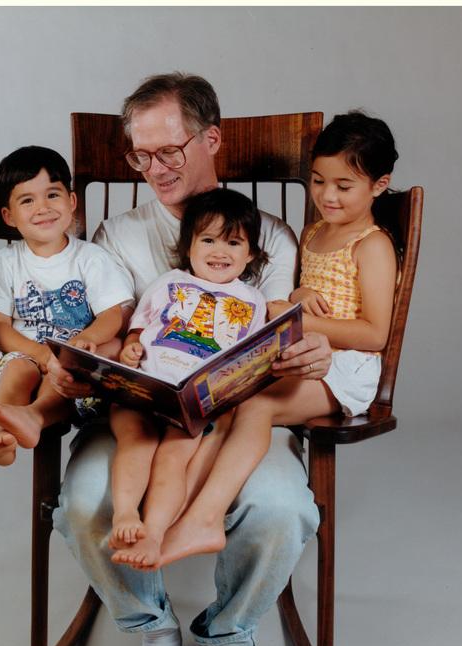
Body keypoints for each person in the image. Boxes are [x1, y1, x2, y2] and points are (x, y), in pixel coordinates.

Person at [47, 73, 333, 646]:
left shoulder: (272, 242)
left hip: (234, 421)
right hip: (139, 420)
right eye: (139, 155)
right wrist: (97, 361)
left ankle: (225, 640)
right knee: (89, 505)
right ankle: (150, 627)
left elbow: (281, 342)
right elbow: (116, 331)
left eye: (169, 150)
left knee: (282, 509)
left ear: (211, 139)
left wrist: (306, 354)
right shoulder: (120, 236)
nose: (154, 168)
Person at [161, 111, 399, 565]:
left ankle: (206, 518)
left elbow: (374, 333)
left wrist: (292, 317)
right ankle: (178, 511)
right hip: (304, 355)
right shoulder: (315, 232)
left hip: (346, 368)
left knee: (255, 403)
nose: (327, 195)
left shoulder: (372, 245)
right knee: (229, 397)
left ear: (379, 185)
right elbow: (313, 294)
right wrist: (302, 294)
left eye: (343, 186)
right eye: (317, 181)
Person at [110, 187, 276, 569]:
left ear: (250, 254)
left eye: (233, 242)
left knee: (171, 458)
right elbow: (139, 325)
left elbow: (247, 356)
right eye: (208, 240)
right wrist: (131, 346)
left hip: (193, 403)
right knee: (135, 442)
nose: (220, 251)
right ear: (188, 247)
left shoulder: (252, 301)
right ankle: (125, 516)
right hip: (146, 387)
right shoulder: (170, 282)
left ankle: (152, 534)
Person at [0, 145, 133, 466]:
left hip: (75, 367)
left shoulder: (90, 257)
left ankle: (34, 416)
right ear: (9, 216)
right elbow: (0, 327)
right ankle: (0, 437)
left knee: (61, 371)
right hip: (26, 354)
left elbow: (111, 315)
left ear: (71, 202)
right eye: (27, 200)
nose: (42, 208)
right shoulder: (3, 262)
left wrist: (84, 341)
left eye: (52, 195)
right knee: (19, 368)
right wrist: (41, 354)